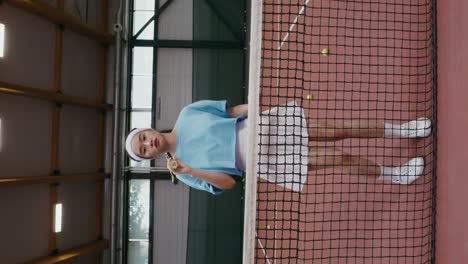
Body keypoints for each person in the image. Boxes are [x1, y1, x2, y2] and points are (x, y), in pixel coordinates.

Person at [125, 100, 431, 195]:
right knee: (340, 158)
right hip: (262, 161)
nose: (147, 143)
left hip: (263, 127)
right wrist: (190, 170)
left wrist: (259, 101)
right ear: (150, 157)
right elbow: (229, 183)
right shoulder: (184, 172)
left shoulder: (188, 112)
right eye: (143, 150)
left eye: (142, 137)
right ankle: (395, 175)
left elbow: (233, 112)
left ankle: (402, 130)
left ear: (149, 129)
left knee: (338, 130)